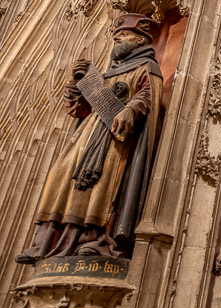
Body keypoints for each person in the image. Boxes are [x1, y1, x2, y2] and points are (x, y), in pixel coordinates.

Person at [16, 14, 163, 262]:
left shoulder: (146, 68)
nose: (117, 39)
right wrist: (74, 82)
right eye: (115, 36)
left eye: (124, 35)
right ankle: (47, 243)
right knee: (60, 176)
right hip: (86, 135)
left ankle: (94, 240)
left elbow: (148, 95)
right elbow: (79, 109)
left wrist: (130, 109)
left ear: (140, 40)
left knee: (101, 185)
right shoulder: (106, 74)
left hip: (114, 136)